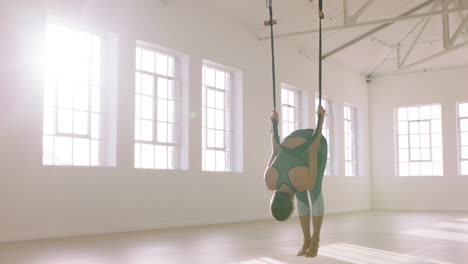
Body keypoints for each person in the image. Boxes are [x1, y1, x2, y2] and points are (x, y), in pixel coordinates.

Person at [264, 105, 328, 258]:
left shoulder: (303, 180)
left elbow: (313, 149)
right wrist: (274, 123)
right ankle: (306, 240)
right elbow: (275, 149)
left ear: (291, 204)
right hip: (290, 139)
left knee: (314, 190)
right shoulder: (269, 181)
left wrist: (320, 121)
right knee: (300, 187)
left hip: (312, 140)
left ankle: (315, 240)